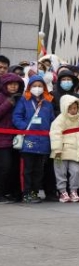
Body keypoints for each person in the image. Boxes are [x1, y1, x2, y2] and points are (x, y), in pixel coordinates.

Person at [13, 75, 55, 203]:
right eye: (34, 86)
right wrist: (24, 127)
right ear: (29, 87)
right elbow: (16, 117)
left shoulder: (48, 102)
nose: (37, 88)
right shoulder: (24, 100)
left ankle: (35, 192)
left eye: (40, 86)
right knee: (27, 169)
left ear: (44, 87)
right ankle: (26, 193)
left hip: (43, 141)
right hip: (29, 140)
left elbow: (52, 119)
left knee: (39, 170)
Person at [50, 95, 79, 203]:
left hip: (74, 151)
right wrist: (57, 149)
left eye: (75, 108)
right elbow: (55, 134)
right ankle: (62, 192)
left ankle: (73, 191)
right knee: (60, 172)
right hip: (61, 151)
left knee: (76, 172)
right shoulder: (60, 119)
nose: (73, 110)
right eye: (70, 108)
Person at [0, 73, 24, 203]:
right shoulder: (2, 97)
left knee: (14, 168)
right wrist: (9, 103)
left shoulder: (21, 98)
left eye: (16, 84)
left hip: (17, 138)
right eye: (11, 84)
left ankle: (11, 192)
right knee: (5, 166)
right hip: (2, 139)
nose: (14, 87)